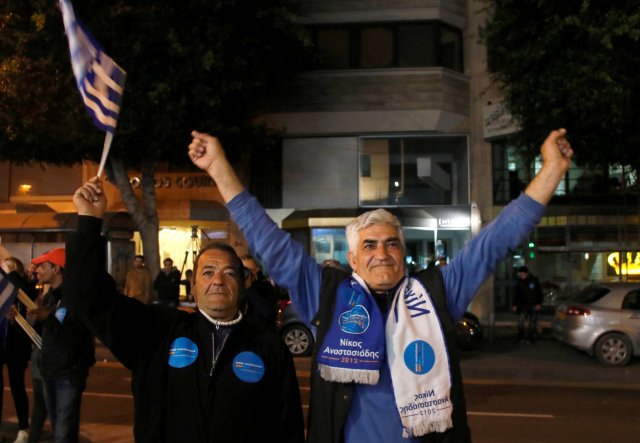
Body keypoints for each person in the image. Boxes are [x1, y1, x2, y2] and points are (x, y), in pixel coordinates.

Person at [188, 127, 573, 442]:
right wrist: (219, 166)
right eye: (369, 245)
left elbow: (496, 240)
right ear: (353, 259)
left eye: (391, 244)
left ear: (403, 253)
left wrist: (552, 170)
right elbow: (267, 239)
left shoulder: (437, 293)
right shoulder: (326, 293)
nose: (381, 253)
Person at [63, 177, 305, 443]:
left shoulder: (269, 347)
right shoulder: (158, 332)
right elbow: (88, 298)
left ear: (243, 284)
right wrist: (88, 221)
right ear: (193, 285)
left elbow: (288, 428)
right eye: (208, 272)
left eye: (229, 273)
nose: (217, 281)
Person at [30, 248, 95, 443]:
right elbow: (43, 335)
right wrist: (19, 321)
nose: (37, 270)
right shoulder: (51, 296)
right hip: (50, 370)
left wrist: (47, 317)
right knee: (60, 426)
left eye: (42, 266)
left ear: (57, 268)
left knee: (63, 432)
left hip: (68, 373)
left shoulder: (74, 297)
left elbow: (75, 335)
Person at [0, 256, 37, 443]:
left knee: (17, 386)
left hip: (16, 343)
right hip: (1, 339)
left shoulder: (21, 286)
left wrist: (10, 272)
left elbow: (29, 293)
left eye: (9, 266)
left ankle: (23, 428)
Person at [241, 255, 279, 331]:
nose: (245, 273)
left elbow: (269, 313)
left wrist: (250, 289)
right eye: (243, 270)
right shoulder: (235, 288)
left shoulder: (266, 287)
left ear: (257, 270)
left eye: (249, 270)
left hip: (262, 337)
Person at [511, 266, 544, 343]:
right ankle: (520, 337)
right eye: (520, 275)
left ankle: (530, 338)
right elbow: (516, 294)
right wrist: (514, 304)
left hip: (533, 305)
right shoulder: (519, 282)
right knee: (520, 322)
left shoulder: (534, 280)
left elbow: (539, 293)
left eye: (523, 275)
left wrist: (539, 303)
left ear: (527, 273)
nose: (521, 276)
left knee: (532, 323)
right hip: (523, 306)